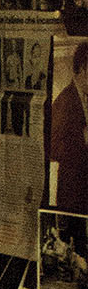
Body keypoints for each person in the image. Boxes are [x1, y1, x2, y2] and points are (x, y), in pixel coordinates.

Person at [49, 42, 88, 215]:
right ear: (82, 70)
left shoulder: (84, 96)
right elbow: (52, 148)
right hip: (73, 198)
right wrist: (83, 139)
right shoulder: (64, 101)